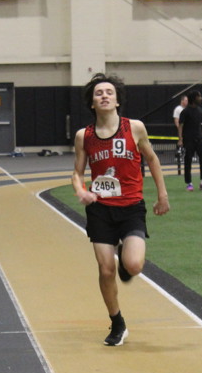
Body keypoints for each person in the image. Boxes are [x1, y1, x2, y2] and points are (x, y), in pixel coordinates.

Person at [71, 72, 170, 346]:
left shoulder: (134, 128)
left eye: (109, 92)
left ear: (117, 101)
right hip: (100, 209)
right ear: (92, 103)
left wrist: (162, 195)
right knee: (105, 270)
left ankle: (126, 262)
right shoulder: (84, 136)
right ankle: (117, 322)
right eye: (98, 93)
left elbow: (152, 159)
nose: (104, 96)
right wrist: (81, 191)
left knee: (134, 265)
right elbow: (77, 172)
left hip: (131, 207)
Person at [180, 90, 202, 192]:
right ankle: (189, 183)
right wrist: (180, 139)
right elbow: (181, 125)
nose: (201, 98)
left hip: (199, 138)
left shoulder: (199, 111)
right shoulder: (185, 112)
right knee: (188, 160)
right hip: (188, 139)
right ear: (194, 98)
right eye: (199, 97)